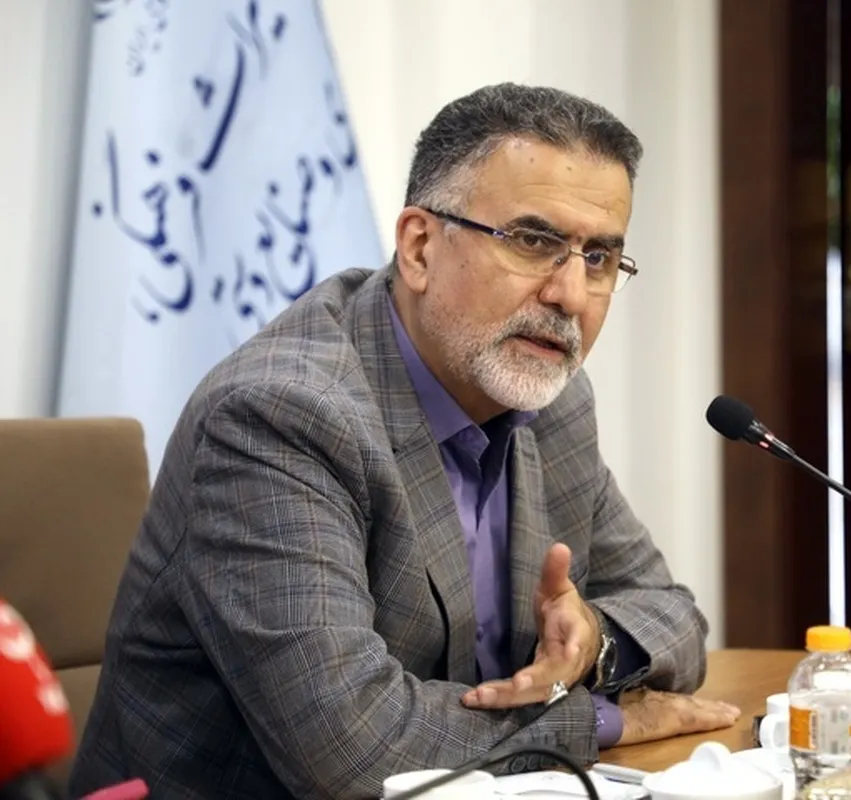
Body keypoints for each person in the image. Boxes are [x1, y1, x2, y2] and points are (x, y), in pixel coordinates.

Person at [69, 84, 739, 799]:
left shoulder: (552, 398)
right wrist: (600, 720)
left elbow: (673, 615)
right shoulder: (279, 415)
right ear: (419, 248)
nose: (570, 295)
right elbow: (353, 750)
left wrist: (593, 644)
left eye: (598, 257)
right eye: (535, 242)